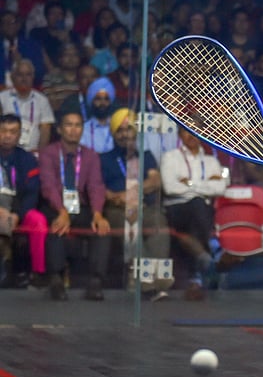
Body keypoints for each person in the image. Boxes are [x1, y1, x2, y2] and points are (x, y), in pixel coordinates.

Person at [39, 111, 112, 301]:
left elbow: (96, 186)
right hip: (54, 205)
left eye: (78, 125)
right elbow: (49, 185)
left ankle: (96, 281)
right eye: (69, 125)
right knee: (57, 226)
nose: (73, 130)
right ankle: (56, 279)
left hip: (80, 206)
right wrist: (61, 210)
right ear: (60, 129)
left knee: (102, 229)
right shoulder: (49, 153)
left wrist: (97, 214)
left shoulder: (90, 156)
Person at [100, 108, 171, 300]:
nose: (125, 135)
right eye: (120, 131)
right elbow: (100, 188)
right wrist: (116, 197)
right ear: (114, 134)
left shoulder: (146, 156)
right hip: (117, 209)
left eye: (129, 129)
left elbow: (155, 181)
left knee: (158, 224)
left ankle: (156, 279)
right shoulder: (104, 158)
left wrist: (129, 193)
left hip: (143, 207)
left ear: (136, 132)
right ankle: (149, 282)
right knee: (130, 225)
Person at [160, 128, 227, 300]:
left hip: (200, 212)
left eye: (196, 131)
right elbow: (170, 188)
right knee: (198, 204)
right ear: (180, 135)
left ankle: (203, 266)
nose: (191, 135)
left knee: (197, 210)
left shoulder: (212, 161)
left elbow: (221, 188)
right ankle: (213, 248)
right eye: (186, 131)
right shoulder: (170, 157)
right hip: (176, 209)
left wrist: (189, 184)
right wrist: (204, 186)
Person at [0, 113, 46, 289]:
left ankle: (37, 274)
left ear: (19, 135)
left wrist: (17, 214)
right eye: (3, 130)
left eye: (13, 131)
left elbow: (32, 193)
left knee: (39, 221)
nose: (7, 135)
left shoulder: (27, 159)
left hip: (19, 209)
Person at [0, 58, 55, 153]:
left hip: (33, 152)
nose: (24, 79)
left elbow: (45, 130)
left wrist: (39, 153)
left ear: (33, 77)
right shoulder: (2, 98)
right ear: (13, 77)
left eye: (28, 75)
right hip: (6, 152)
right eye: (20, 75)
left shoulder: (42, 100)